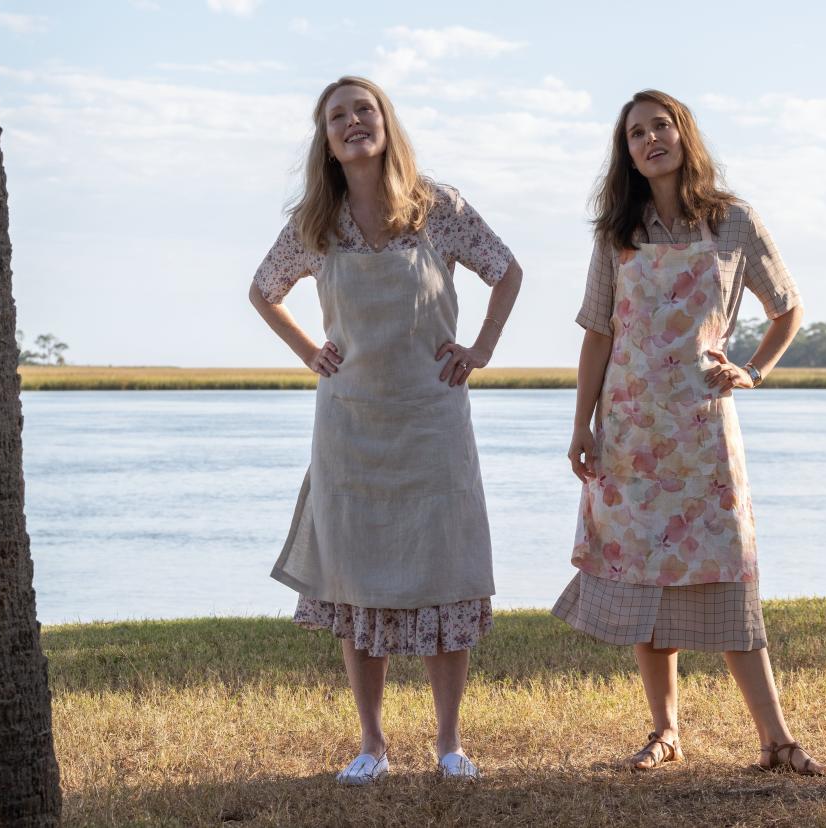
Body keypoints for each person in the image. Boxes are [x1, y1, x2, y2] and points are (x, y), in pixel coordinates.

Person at [249, 76, 523, 783]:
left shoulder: (439, 208)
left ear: (385, 122)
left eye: (363, 110)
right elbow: (263, 291)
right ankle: (371, 745)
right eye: (337, 117)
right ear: (327, 139)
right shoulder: (318, 221)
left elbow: (507, 270)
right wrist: (310, 351)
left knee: (446, 573)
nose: (352, 123)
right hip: (350, 430)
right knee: (356, 581)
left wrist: (482, 348)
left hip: (433, 423)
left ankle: (449, 745)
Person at [555, 89, 826, 775]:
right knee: (646, 579)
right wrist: (582, 423)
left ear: (684, 134)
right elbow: (598, 332)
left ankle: (776, 739)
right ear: (627, 152)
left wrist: (755, 370)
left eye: (661, 126)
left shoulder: (732, 220)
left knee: (729, 579)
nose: (651, 140)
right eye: (636, 134)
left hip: (702, 431)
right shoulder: (618, 231)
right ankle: (664, 732)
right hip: (627, 430)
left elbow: (787, 307)